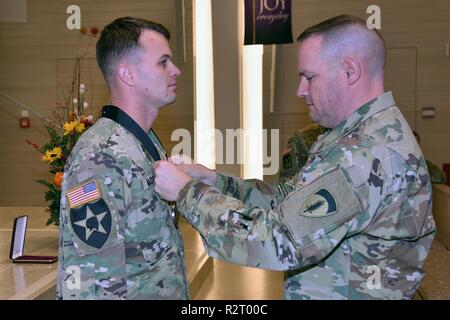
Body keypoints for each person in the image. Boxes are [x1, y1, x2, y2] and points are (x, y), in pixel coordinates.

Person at [154, 15, 436, 299]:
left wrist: (188, 193)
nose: (300, 90)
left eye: (309, 77)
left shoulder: (364, 155)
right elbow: (292, 202)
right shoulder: (356, 136)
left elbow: (278, 239)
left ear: (350, 71)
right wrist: (215, 181)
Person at [56, 17, 189, 299]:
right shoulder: (98, 156)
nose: (175, 70)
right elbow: (90, 283)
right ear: (127, 74)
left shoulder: (141, 141)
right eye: (163, 62)